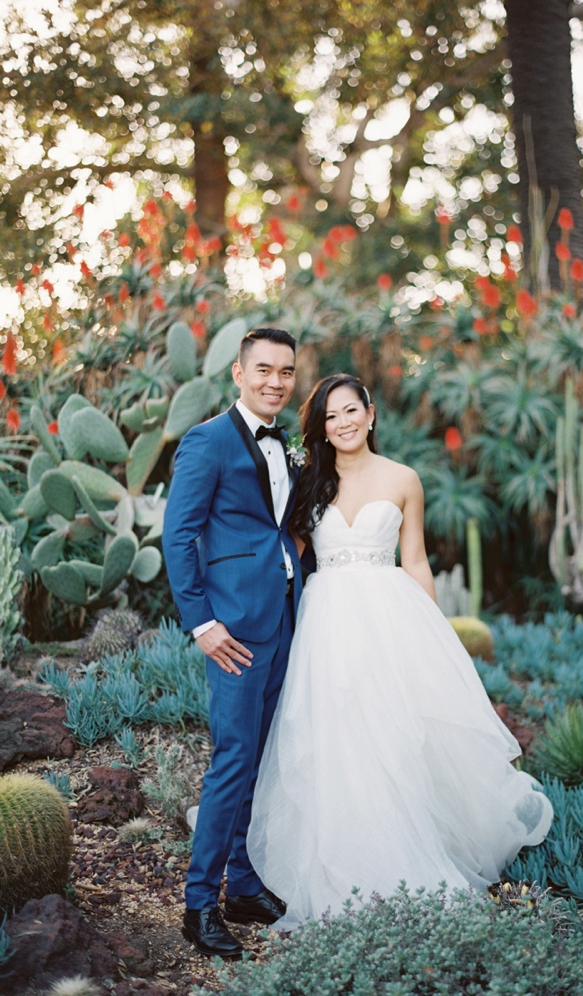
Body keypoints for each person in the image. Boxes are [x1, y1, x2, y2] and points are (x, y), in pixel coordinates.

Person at [246, 373, 554, 931]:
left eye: (350, 411)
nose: (342, 423)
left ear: (371, 414)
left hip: (390, 616)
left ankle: (411, 850)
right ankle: (343, 857)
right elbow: (286, 554)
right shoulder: (309, 480)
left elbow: (414, 560)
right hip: (329, 621)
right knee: (335, 736)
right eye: (330, 416)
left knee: (394, 732)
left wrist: (431, 636)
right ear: (321, 427)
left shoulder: (404, 479)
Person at [162, 327, 304, 958]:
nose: (276, 381)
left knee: (260, 756)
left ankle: (243, 884)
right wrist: (203, 623)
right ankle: (199, 904)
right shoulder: (207, 441)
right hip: (233, 632)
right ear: (239, 375)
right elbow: (177, 537)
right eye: (265, 370)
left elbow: (276, 527)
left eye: (287, 372)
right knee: (232, 761)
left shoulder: (286, 446)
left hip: (281, 618)